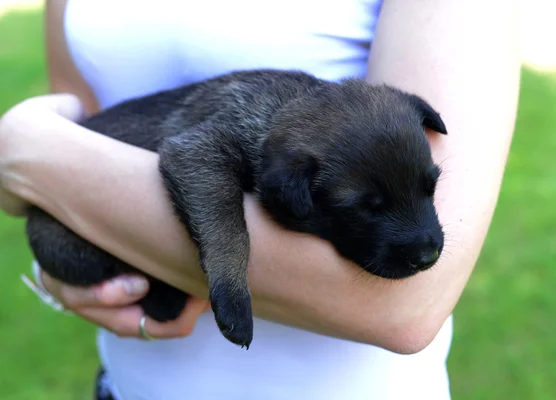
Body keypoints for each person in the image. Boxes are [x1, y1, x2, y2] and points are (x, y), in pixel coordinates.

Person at [0, 0, 521, 398]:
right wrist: (60, 252)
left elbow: (407, 307)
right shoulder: (268, 141)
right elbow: (84, 126)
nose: (427, 241)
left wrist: (31, 150)